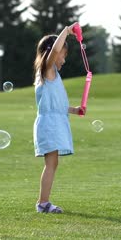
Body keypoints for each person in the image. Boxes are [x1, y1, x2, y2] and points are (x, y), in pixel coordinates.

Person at [33, 23, 82, 213]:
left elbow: (57, 105)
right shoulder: (47, 71)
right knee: (51, 163)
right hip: (50, 125)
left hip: (54, 122)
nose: (64, 59)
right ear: (54, 52)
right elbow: (54, 51)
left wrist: (73, 110)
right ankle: (43, 203)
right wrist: (67, 31)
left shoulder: (53, 76)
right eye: (64, 54)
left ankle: (43, 202)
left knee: (52, 163)